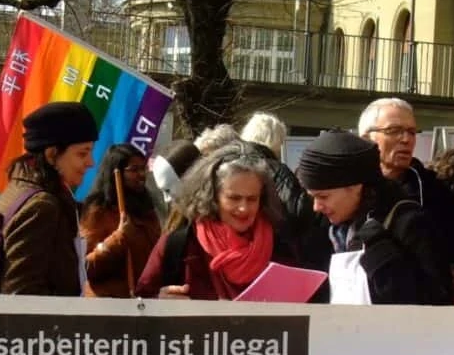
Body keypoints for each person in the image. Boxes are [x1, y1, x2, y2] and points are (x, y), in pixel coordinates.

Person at [296, 130, 452, 305]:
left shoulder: (408, 224)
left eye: (323, 197)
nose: (316, 207)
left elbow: (436, 299)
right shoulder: (323, 231)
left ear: (356, 187)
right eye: (312, 197)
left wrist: (380, 250)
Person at [138, 145, 299, 299]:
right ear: (213, 196)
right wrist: (159, 300)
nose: (243, 208)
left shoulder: (279, 244)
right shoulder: (180, 243)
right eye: (234, 198)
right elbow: (141, 301)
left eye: (252, 199)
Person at [359, 96, 454, 285]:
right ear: (367, 137)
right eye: (394, 131)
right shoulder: (350, 188)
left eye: (411, 131)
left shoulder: (435, 189)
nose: (406, 139)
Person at [0, 101, 98, 297]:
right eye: (82, 153)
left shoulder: (19, 191)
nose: (90, 162)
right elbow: (21, 294)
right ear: (52, 154)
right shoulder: (41, 207)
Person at [239, 112, 329, 269]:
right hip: (274, 251)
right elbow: (299, 212)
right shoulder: (276, 169)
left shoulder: (231, 164)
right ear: (275, 141)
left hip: (241, 249)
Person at [79, 144, 164, 298]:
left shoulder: (147, 211)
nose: (141, 174)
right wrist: (118, 238)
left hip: (143, 304)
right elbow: (86, 267)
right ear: (115, 173)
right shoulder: (97, 211)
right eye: (133, 169)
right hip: (108, 307)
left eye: (143, 168)